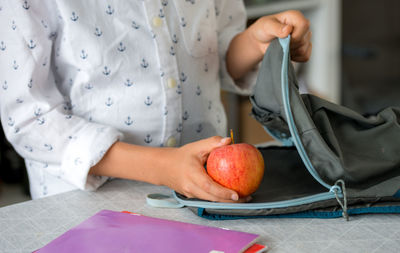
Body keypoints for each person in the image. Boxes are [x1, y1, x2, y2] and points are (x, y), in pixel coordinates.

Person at [0, 1, 311, 202]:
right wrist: (163, 167)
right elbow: (30, 120)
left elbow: (217, 53)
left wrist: (255, 43)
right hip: (86, 205)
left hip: (204, 194)